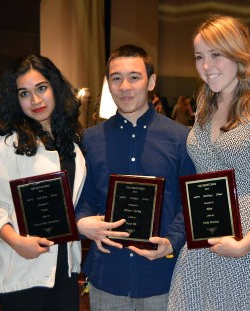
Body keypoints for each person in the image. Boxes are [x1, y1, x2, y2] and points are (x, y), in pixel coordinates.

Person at [168, 15, 250, 311]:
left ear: (239, 54)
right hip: (202, 239)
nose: (206, 66)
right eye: (199, 57)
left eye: (216, 55)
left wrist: (244, 245)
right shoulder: (203, 107)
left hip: (249, 245)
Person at [76, 44, 195, 310]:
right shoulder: (91, 140)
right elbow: (86, 198)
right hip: (107, 277)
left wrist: (172, 242)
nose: (125, 87)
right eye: (116, 78)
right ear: (108, 83)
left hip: (162, 278)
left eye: (134, 77)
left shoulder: (181, 139)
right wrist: (82, 222)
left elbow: (189, 203)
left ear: (151, 81)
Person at [0, 55, 86, 311]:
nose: (35, 100)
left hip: (64, 269)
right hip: (22, 269)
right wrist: (16, 241)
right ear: (15, 99)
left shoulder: (73, 146)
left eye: (41, 88)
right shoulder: (9, 146)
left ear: (55, 88)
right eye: (24, 93)